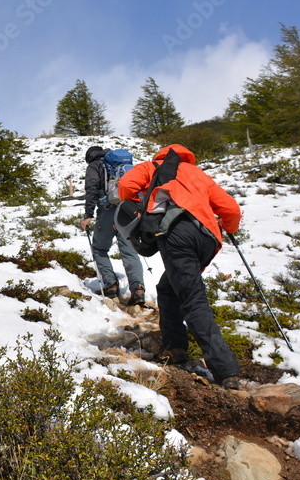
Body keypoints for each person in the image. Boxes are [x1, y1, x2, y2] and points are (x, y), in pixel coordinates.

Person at [117, 143, 243, 389]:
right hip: (207, 238)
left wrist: (137, 210)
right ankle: (175, 347)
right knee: (168, 287)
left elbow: (125, 186)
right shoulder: (198, 174)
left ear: (161, 156)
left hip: (176, 233)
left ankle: (226, 369)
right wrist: (229, 227)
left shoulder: (150, 167)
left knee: (193, 298)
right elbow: (230, 209)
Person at [79, 146, 146, 306]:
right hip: (127, 209)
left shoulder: (94, 166)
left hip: (108, 210)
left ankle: (110, 286)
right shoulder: (119, 163)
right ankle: (138, 289)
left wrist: (88, 214)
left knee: (99, 249)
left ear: (89, 157)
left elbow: (92, 188)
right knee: (129, 251)